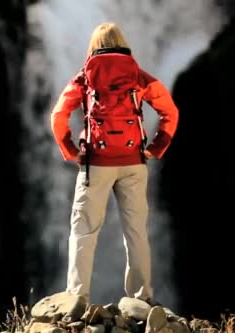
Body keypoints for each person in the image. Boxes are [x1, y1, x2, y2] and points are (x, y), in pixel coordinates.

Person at [49, 22, 179, 305]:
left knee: (84, 230)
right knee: (136, 232)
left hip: (95, 163)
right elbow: (170, 110)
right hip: (134, 163)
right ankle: (142, 297)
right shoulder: (139, 76)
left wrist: (71, 151)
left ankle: (77, 297)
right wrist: (155, 149)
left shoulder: (84, 77)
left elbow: (58, 116)